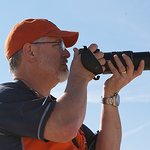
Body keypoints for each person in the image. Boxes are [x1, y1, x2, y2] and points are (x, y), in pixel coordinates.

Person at [0, 18, 144, 150]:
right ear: (30, 52)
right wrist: (80, 76)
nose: (67, 54)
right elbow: (65, 126)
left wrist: (110, 92)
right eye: (58, 45)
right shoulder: (4, 99)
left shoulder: (64, 110)